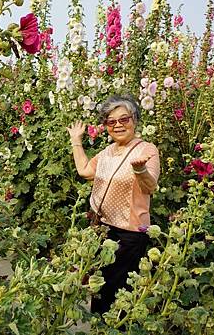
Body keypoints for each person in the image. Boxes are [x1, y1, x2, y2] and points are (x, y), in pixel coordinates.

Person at [66, 94, 160, 314]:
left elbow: (151, 186)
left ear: (134, 120)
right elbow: (85, 171)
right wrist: (76, 140)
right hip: (101, 229)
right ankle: (99, 326)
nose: (118, 125)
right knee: (99, 285)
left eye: (124, 119)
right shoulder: (108, 151)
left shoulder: (147, 149)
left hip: (128, 234)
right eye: (111, 121)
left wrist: (140, 170)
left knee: (118, 292)